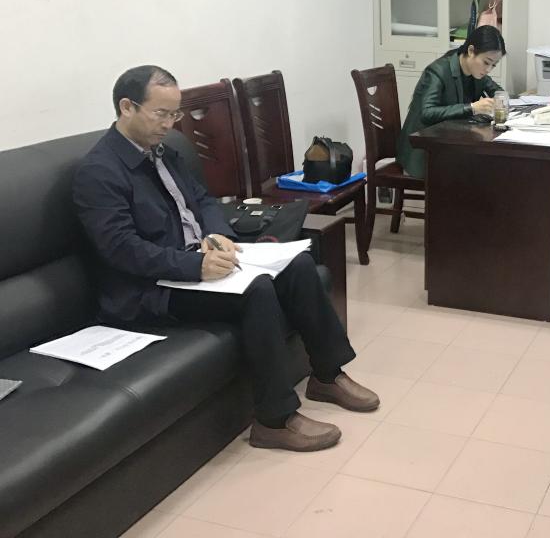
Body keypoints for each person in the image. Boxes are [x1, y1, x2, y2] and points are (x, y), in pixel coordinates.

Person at [73, 66, 379, 453]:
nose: (169, 124)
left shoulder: (163, 151)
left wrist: (218, 234)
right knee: (256, 289)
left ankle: (328, 375)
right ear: (126, 107)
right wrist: (194, 266)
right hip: (150, 289)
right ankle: (274, 420)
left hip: (195, 263)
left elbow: (203, 200)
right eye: (160, 113)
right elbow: (120, 248)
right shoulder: (99, 172)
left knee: (299, 265)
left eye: (175, 114)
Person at [396, 25, 506, 180]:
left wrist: (502, 100)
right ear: (471, 51)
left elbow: (497, 91)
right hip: (423, 151)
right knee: (480, 173)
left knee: (490, 168)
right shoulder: (438, 71)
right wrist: (472, 108)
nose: (488, 69)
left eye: (493, 65)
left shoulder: (476, 71)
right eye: (486, 62)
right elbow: (427, 113)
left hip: (449, 145)